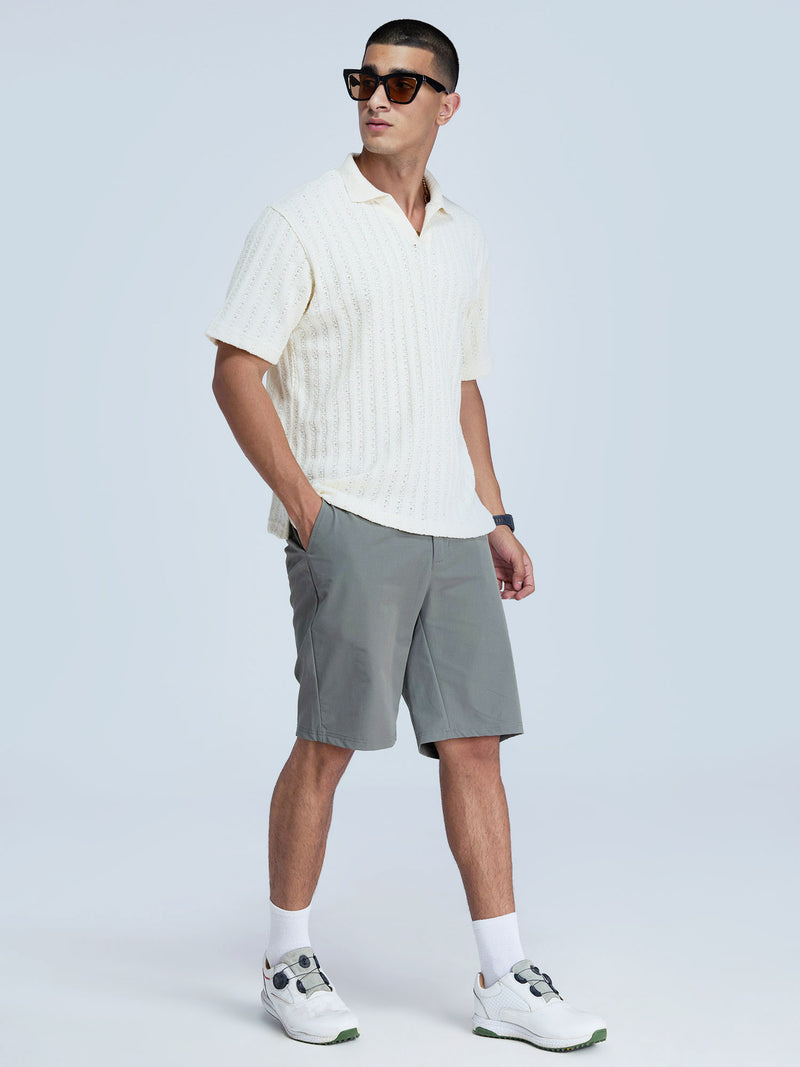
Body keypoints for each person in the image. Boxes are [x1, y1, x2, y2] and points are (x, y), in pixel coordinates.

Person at [205, 17, 607, 1053]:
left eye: (401, 83)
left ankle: (504, 973)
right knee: (329, 740)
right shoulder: (301, 221)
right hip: (350, 522)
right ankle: (285, 957)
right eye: (364, 79)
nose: (376, 98)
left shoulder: (462, 235)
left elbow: (461, 385)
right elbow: (236, 371)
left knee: (474, 743)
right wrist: (309, 510)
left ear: (447, 105)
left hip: (451, 529)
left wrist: (495, 513)